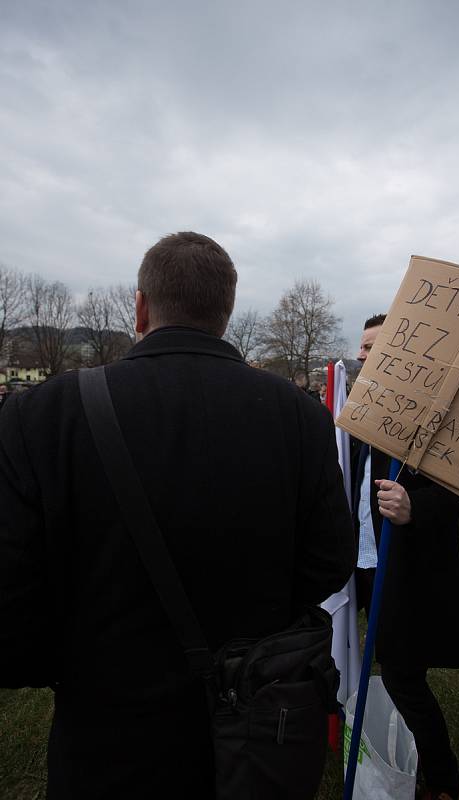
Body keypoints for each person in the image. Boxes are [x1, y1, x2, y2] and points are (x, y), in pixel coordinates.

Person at [0, 232, 355, 800]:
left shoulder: (42, 414)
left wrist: (67, 663)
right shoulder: (299, 415)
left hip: (105, 724)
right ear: (226, 311)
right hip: (254, 717)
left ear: (140, 308)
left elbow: (13, 587)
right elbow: (330, 559)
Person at [351, 313, 459, 800]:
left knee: (403, 676)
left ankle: (443, 779)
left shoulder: (436, 416)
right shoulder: (359, 410)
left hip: (403, 569)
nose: (362, 356)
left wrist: (415, 507)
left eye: (372, 348)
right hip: (356, 561)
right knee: (341, 653)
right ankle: (352, 735)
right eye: (361, 348)